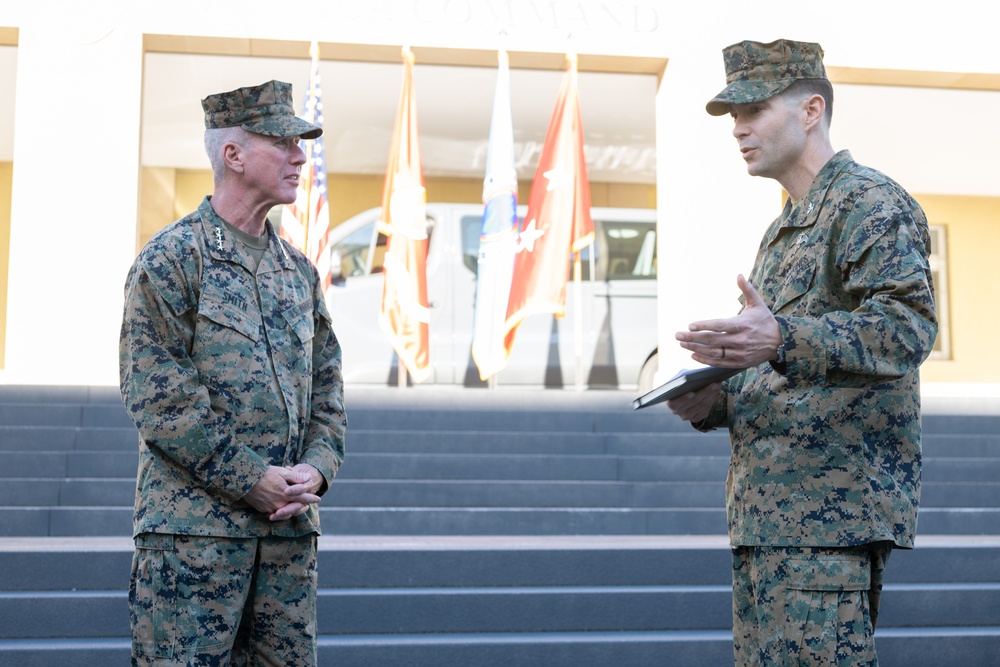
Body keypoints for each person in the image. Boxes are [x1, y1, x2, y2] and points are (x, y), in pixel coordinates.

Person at [666, 40, 937, 665]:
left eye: (754, 109)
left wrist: (782, 338)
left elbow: (906, 328)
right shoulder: (785, 229)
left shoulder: (868, 203)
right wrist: (712, 396)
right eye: (734, 115)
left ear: (811, 109)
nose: (738, 128)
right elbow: (775, 370)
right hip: (769, 521)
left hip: (827, 519)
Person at [119, 79, 346, 666]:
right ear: (234, 154)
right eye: (284, 142)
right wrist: (251, 478)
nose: (300, 156)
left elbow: (328, 392)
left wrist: (316, 472)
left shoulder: (297, 272)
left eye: (302, 144)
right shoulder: (172, 260)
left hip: (288, 543)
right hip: (195, 542)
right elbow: (159, 400)